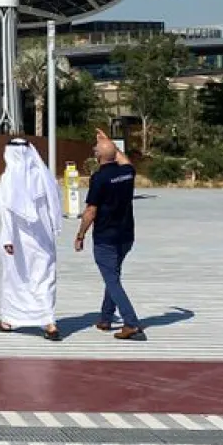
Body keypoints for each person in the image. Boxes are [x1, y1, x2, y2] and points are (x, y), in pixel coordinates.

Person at [75, 130, 144, 340]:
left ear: (97, 157)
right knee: (112, 275)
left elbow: (90, 211)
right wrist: (109, 143)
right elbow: (123, 159)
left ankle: (131, 322)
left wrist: (80, 234)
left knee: (112, 279)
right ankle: (106, 317)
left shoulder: (99, 178)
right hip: (126, 235)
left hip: (106, 236)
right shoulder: (128, 172)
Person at [0, 139, 62, 341]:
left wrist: (7, 238)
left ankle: (11, 320)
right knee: (43, 277)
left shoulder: (9, 178)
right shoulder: (43, 176)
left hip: (17, 239)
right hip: (43, 238)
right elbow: (54, 204)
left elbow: (6, 211)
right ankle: (48, 323)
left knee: (17, 278)